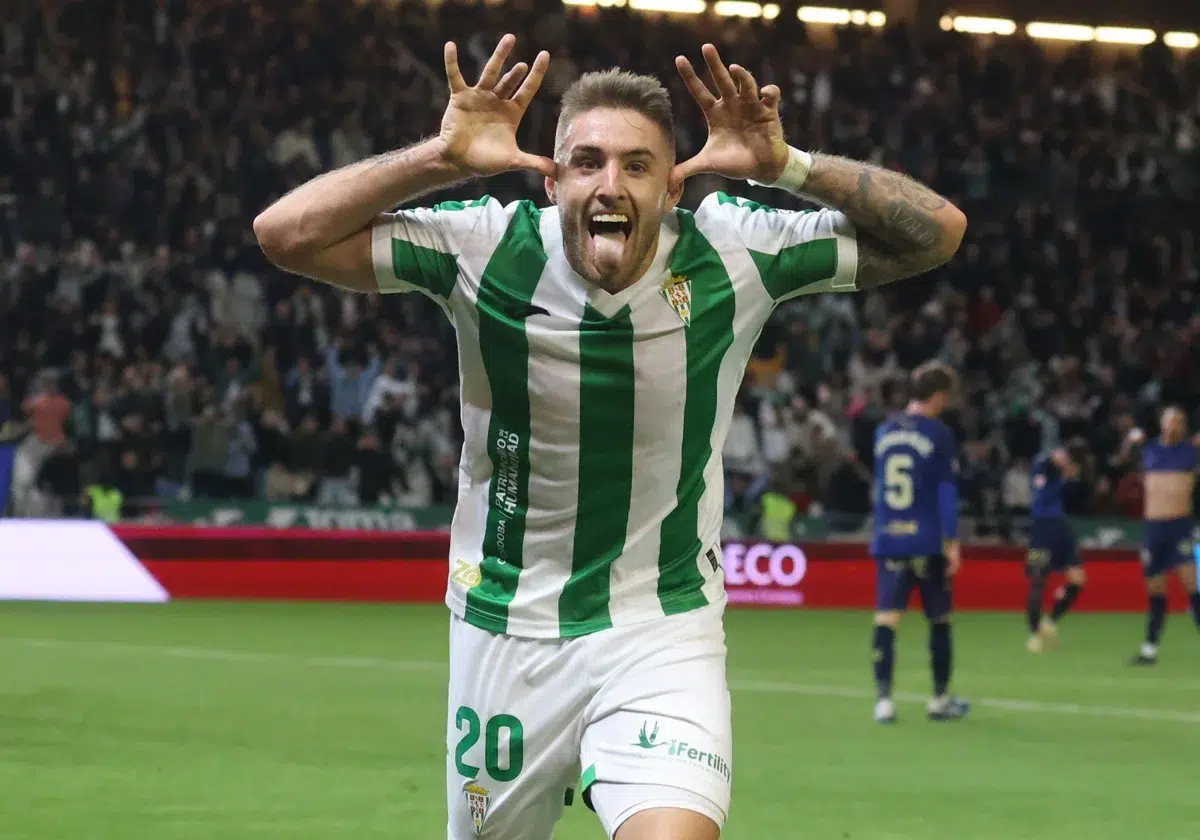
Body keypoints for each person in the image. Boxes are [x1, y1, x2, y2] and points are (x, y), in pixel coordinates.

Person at [254, 34, 967, 840]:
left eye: (637, 165)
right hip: (506, 630)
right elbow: (285, 235)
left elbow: (938, 233)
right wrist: (440, 159)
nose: (610, 184)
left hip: (661, 628)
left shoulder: (735, 249)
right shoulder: (483, 247)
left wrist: (787, 166)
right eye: (587, 162)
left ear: (672, 187)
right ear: (552, 180)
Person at [868, 362, 969, 725]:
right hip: (927, 539)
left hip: (890, 536)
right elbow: (946, 492)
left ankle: (884, 702)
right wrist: (952, 540)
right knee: (939, 618)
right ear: (939, 396)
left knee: (887, 618)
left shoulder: (883, 430)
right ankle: (939, 700)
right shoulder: (939, 434)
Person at [1116, 406, 1200, 665]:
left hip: (1180, 525)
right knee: (1155, 588)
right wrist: (1128, 441)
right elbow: (1119, 461)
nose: (1174, 425)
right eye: (1170, 420)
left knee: (1192, 584)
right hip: (1154, 528)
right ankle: (1150, 649)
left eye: (1179, 421)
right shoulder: (1149, 448)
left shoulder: (1192, 450)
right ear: (1161, 423)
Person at [1024, 439, 1090, 653]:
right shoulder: (1042, 464)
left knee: (1078, 579)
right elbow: (1055, 463)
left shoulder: (1057, 473)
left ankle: (1050, 621)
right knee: (1038, 581)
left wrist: (1069, 471)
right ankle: (1034, 634)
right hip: (1041, 528)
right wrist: (1066, 466)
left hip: (1060, 527)